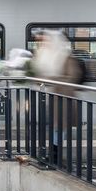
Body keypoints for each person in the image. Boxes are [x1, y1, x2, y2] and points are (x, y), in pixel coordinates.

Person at [30, 30, 82, 161]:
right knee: (55, 127)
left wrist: (50, 79)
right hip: (53, 96)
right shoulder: (47, 56)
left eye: (45, 41)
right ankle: (52, 152)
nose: (42, 44)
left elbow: (72, 77)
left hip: (64, 98)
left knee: (59, 127)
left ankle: (55, 155)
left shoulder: (66, 57)